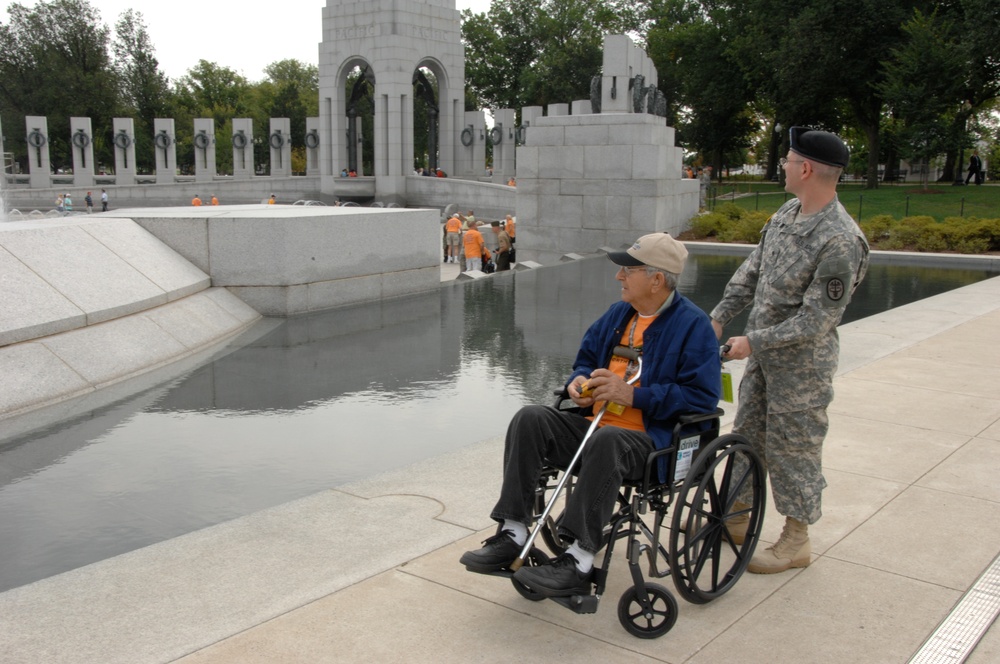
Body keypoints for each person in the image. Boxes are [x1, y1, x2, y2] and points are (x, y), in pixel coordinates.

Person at [460, 233, 721, 596]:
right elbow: (584, 360)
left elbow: (703, 398)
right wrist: (577, 383)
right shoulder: (619, 314)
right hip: (594, 427)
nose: (619, 277)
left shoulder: (694, 327)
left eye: (628, 270)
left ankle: (580, 558)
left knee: (607, 439)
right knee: (530, 417)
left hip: (649, 442)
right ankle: (513, 532)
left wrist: (634, 395)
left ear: (656, 279)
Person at [710, 126, 870, 574]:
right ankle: (736, 518)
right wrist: (719, 315)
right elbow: (752, 271)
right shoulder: (786, 213)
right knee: (747, 436)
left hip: (801, 370)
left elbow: (818, 320)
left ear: (806, 168)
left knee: (794, 450)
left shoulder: (840, 239)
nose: (781, 165)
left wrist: (752, 341)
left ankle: (796, 540)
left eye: (786, 160)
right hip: (762, 360)